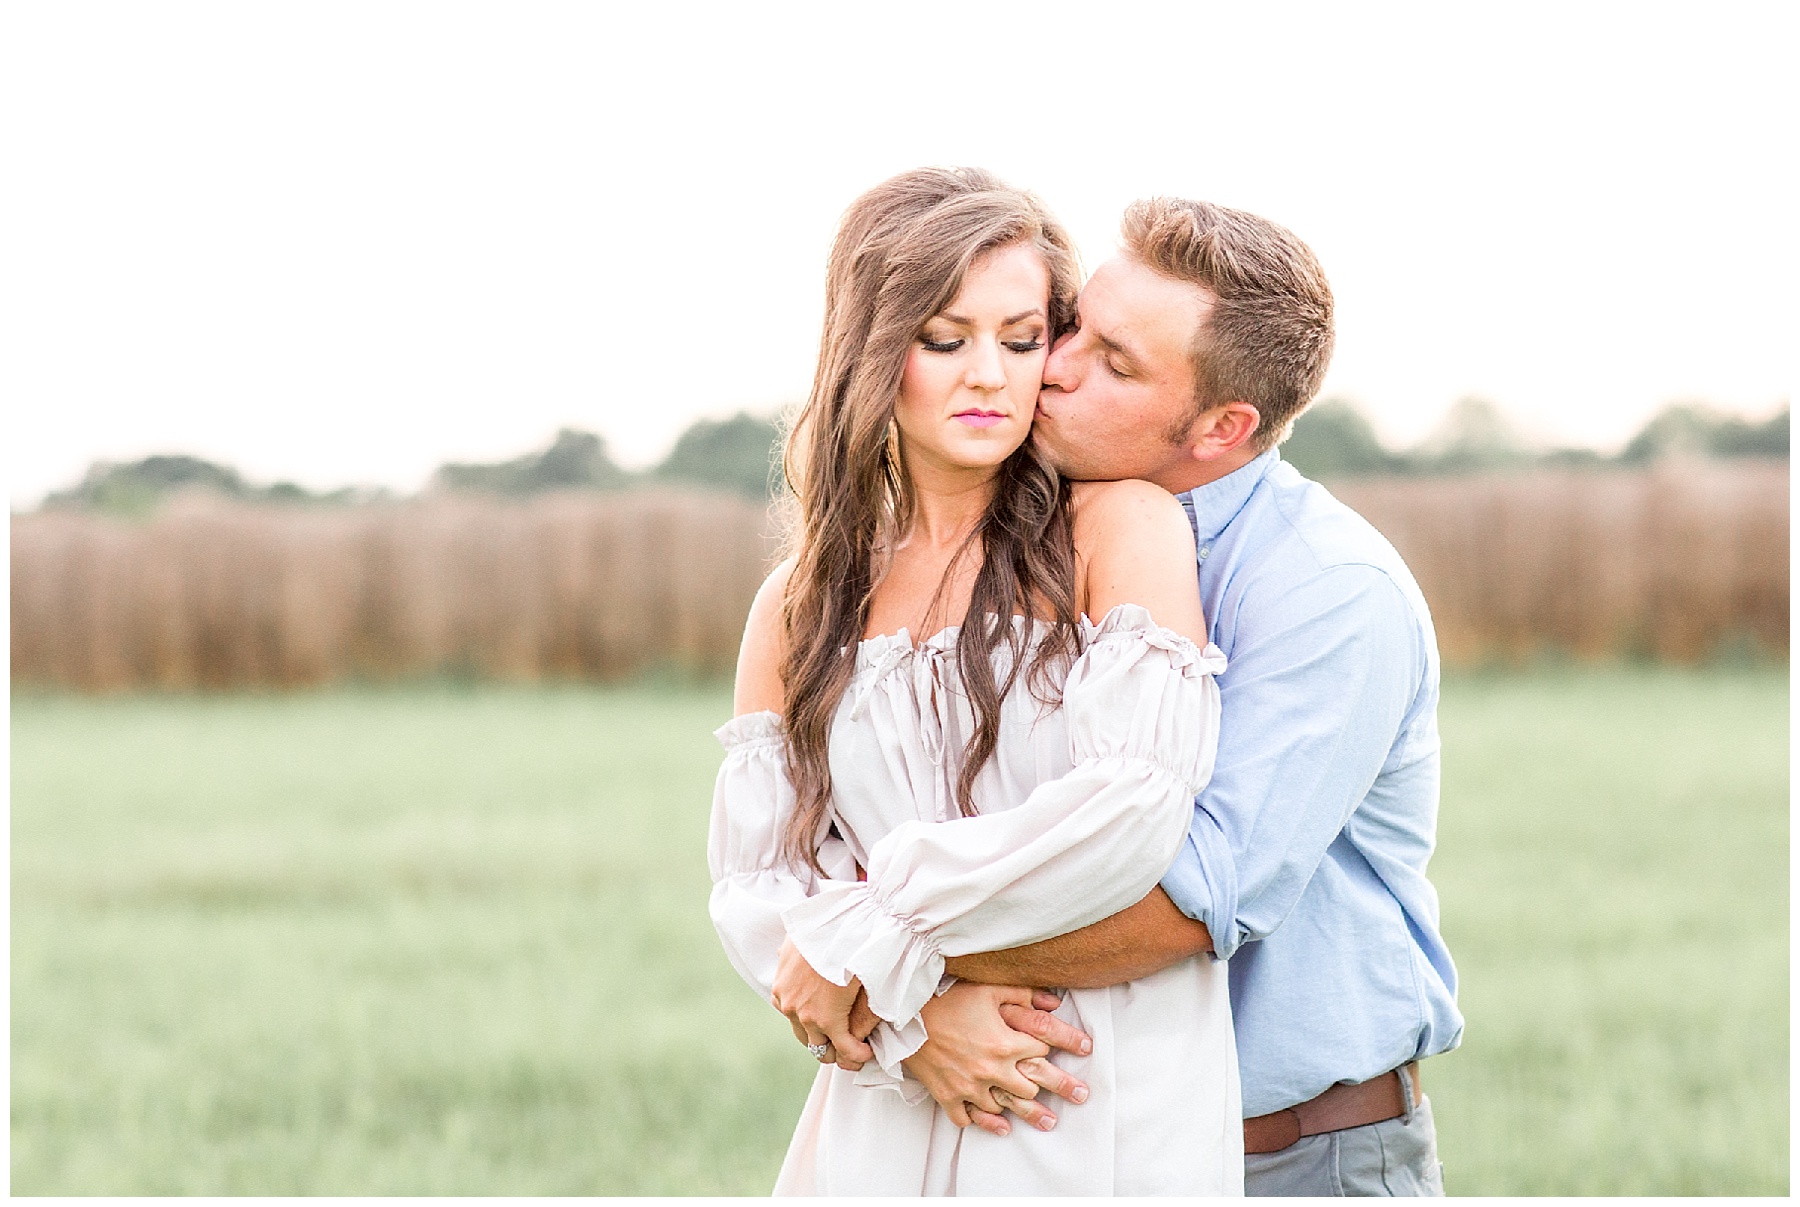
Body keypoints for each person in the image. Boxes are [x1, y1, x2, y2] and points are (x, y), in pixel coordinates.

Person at [891, 198, 1464, 1196]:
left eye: (1116, 363)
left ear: (1222, 427)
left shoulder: (1327, 591)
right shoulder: (1024, 542)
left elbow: (1187, 905)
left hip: (1289, 1158)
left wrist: (898, 983)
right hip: (1082, 1149)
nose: (1054, 365)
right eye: (1072, 328)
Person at [707, 167, 1244, 1195]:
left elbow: (1133, 807)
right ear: (874, 349)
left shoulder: (1116, 529)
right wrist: (912, 1024)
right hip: (891, 1106)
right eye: (946, 340)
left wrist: (882, 931)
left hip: (1092, 1089)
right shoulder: (800, 600)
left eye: (1023, 335)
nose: (989, 374)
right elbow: (758, 888)